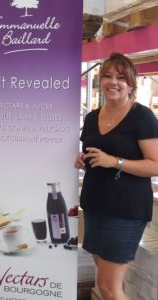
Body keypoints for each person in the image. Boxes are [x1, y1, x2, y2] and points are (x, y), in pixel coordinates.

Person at [75, 52, 158, 300]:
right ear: (100, 81)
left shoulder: (142, 117)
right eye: (108, 76)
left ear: (131, 84)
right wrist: (81, 160)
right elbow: (90, 152)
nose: (114, 82)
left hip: (126, 209)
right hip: (95, 205)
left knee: (107, 286)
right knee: (111, 285)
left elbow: (155, 165)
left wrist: (115, 162)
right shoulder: (91, 117)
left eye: (121, 77)